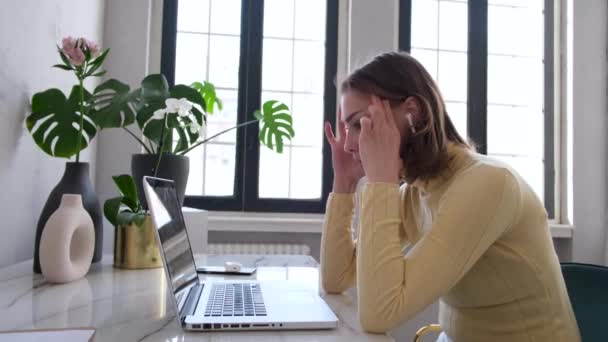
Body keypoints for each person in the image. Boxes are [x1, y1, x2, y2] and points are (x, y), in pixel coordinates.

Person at [320, 51, 580, 341]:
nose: (350, 144)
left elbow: (380, 313)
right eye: (347, 128)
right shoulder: (416, 192)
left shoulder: (487, 183)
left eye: (359, 123)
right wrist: (343, 183)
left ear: (412, 112)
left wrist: (381, 181)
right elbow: (335, 278)